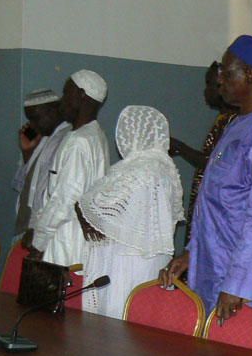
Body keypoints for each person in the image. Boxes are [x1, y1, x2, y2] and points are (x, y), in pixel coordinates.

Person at [160, 35, 252, 321]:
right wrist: (191, 253)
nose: (220, 79)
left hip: (238, 284)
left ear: (250, 75)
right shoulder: (238, 123)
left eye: (226, 72)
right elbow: (218, 204)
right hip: (211, 266)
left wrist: (237, 285)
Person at [76, 106, 184, 319]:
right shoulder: (166, 169)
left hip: (126, 263)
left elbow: (94, 204)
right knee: (143, 322)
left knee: (117, 321)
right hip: (152, 263)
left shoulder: (139, 170)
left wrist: (85, 211)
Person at [29, 70, 110, 266]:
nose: (61, 102)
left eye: (66, 94)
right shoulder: (94, 136)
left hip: (65, 245)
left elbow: (64, 200)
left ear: (81, 96)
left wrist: (38, 242)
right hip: (74, 243)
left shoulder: (80, 142)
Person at [169, 61, 238, 244]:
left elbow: (215, 164)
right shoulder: (222, 119)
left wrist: (180, 147)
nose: (205, 91)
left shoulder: (233, 123)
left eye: (209, 84)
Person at [12, 89, 72, 239]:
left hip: (45, 233)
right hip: (25, 227)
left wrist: (40, 232)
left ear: (52, 110)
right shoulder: (42, 139)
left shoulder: (68, 139)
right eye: (29, 119)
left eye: (35, 118)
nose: (32, 125)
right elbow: (20, 186)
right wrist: (27, 153)